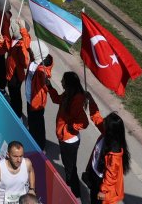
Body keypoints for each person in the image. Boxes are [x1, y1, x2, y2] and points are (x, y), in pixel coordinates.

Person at [51, 71, 95, 199]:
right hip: (64, 137)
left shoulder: (75, 100)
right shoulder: (68, 94)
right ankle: (70, 185)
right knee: (68, 164)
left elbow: (84, 122)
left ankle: (75, 193)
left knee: (71, 168)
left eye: (63, 80)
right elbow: (56, 99)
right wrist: (49, 87)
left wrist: (71, 127)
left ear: (68, 83)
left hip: (69, 140)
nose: (61, 82)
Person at [82, 109, 129, 204]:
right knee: (93, 199)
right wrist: (91, 103)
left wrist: (103, 191)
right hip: (95, 175)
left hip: (101, 182)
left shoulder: (114, 152)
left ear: (111, 131)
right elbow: (98, 119)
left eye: (105, 124)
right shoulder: (106, 134)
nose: (103, 124)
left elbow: (111, 175)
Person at [24, 43, 54, 149]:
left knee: (38, 125)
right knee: (32, 122)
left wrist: (44, 74)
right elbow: (28, 45)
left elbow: (44, 75)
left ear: (38, 52)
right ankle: (32, 139)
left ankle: (40, 146)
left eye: (33, 51)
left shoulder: (42, 69)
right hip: (30, 98)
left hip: (37, 103)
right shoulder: (34, 60)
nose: (31, 52)